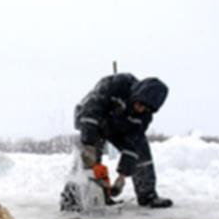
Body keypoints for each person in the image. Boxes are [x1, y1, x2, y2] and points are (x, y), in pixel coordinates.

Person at [62, 72, 172, 210]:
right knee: (88, 159)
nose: (141, 109)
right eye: (140, 104)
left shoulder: (143, 117)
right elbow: (91, 111)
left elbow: (133, 144)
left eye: (146, 108)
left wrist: (122, 176)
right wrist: (89, 144)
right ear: (138, 93)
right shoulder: (117, 85)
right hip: (92, 119)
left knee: (141, 151)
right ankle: (72, 198)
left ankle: (147, 195)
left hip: (120, 126)